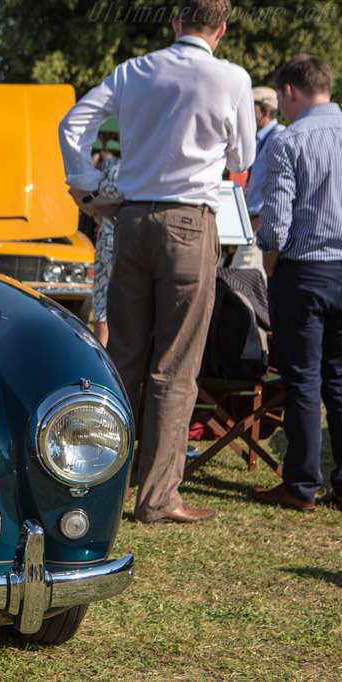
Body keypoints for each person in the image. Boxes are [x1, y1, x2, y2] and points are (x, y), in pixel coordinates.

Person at [58, 0, 255, 523]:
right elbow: (243, 162)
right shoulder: (232, 78)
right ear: (222, 27)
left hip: (131, 219)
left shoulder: (134, 70)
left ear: (174, 22)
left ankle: (102, 484)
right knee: (175, 366)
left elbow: (72, 122)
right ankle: (157, 497)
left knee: (122, 358)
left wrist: (83, 187)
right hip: (190, 224)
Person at [252, 54, 342, 513]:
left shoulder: (289, 140)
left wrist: (263, 246)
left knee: (303, 379)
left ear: (289, 91)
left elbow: (276, 225)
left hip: (304, 270)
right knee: (340, 379)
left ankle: (301, 484)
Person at [232, 86, 286, 273]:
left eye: (250, 106)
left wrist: (257, 224)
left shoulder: (279, 138)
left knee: (240, 290)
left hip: (260, 228)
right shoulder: (259, 139)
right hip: (250, 226)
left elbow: (283, 192)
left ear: (266, 111)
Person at [91, 154, 121, 347]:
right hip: (122, 234)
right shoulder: (140, 166)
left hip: (105, 234)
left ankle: (100, 353)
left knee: (102, 298)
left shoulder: (109, 166)